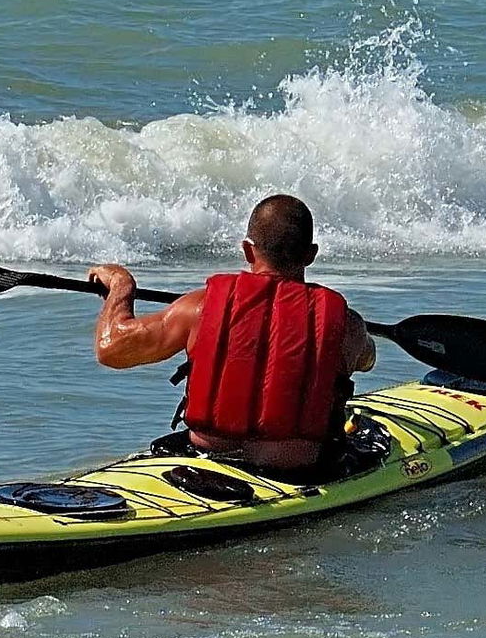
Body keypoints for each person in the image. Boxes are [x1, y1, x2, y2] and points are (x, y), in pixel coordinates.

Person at [86, 195, 376, 472]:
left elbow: (111, 348)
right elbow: (367, 360)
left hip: (208, 455)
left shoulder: (199, 308)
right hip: (299, 469)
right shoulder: (346, 326)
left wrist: (121, 286)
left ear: (248, 250)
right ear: (311, 255)